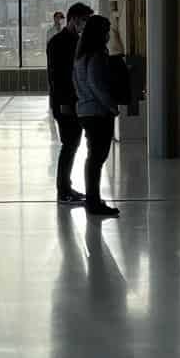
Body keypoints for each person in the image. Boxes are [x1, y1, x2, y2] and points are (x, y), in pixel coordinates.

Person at [72, 13, 120, 217]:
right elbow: (97, 85)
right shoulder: (97, 55)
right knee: (97, 157)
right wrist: (111, 106)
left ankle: (92, 199)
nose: (109, 34)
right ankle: (93, 202)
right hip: (97, 112)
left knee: (94, 157)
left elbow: (79, 83)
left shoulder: (80, 54)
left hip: (84, 109)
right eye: (107, 30)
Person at [46, 2, 92, 206]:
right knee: (69, 144)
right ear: (74, 19)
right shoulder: (59, 42)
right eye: (83, 20)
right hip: (65, 103)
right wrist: (64, 103)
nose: (85, 25)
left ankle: (66, 187)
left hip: (74, 101)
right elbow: (59, 77)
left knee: (72, 144)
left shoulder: (75, 40)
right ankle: (63, 190)